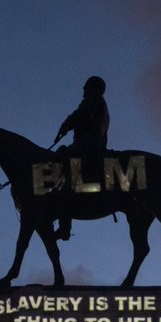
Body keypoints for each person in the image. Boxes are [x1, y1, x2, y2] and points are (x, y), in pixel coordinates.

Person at [52, 76, 110, 241]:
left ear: (94, 89)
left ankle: (64, 227)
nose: (83, 90)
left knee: (66, 179)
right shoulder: (97, 102)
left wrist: (66, 125)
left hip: (87, 147)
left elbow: (81, 116)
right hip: (88, 146)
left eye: (86, 88)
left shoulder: (93, 101)